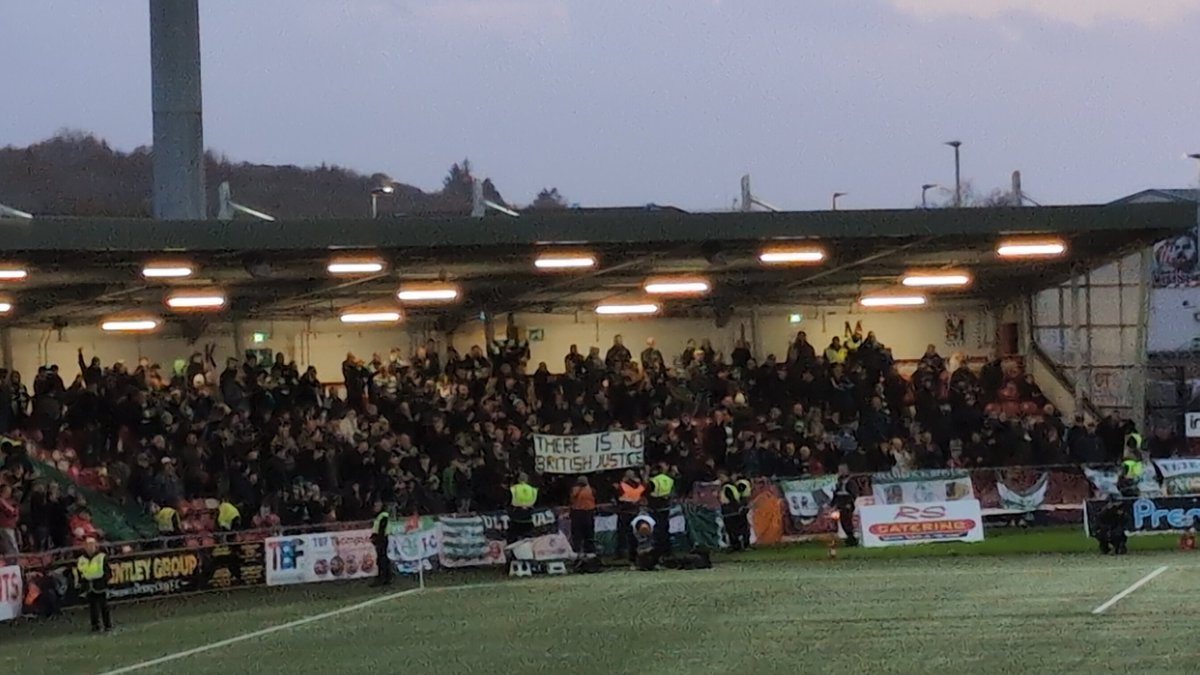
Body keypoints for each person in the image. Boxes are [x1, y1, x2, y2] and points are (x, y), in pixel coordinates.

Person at [76, 537, 112, 632]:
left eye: (92, 545)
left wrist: (105, 582)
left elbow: (108, 572)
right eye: (88, 545)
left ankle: (107, 625)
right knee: (92, 607)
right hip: (88, 585)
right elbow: (80, 572)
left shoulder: (102, 557)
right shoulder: (81, 559)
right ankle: (95, 625)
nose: (90, 547)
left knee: (104, 606)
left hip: (100, 584)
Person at [614, 470, 645, 563]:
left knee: (623, 533)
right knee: (634, 534)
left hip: (625, 512)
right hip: (635, 512)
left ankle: (622, 553)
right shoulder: (639, 485)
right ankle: (634, 554)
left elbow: (618, 498)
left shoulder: (622, 485)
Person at [647, 464, 674, 556]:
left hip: (656, 507)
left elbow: (648, 492)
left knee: (658, 531)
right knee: (665, 529)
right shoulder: (669, 479)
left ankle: (658, 551)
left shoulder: (653, 481)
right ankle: (667, 551)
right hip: (666, 506)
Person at [568, 476, 596, 556]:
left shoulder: (574, 489)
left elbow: (571, 499)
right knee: (589, 533)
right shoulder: (591, 490)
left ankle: (577, 551)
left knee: (577, 533)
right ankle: (590, 551)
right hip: (588, 513)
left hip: (577, 513)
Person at [507, 472, 538, 544]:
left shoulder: (513, 489)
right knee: (529, 541)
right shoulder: (533, 490)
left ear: (518, 479)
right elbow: (536, 503)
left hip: (516, 519)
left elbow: (508, 501)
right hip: (528, 519)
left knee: (513, 541)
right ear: (527, 480)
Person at [832, 463, 858, 547]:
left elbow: (854, 493)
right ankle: (849, 538)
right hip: (841, 503)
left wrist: (850, 503)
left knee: (848, 521)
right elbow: (836, 494)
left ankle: (852, 539)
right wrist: (833, 504)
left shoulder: (850, 482)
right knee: (843, 521)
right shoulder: (839, 482)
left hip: (847, 503)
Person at [370, 500, 392, 587]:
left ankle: (383, 578)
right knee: (382, 558)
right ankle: (385, 577)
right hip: (381, 538)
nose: (375, 508)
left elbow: (381, 529)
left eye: (376, 506)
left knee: (382, 559)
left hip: (382, 539)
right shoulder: (380, 516)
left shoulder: (383, 516)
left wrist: (377, 538)